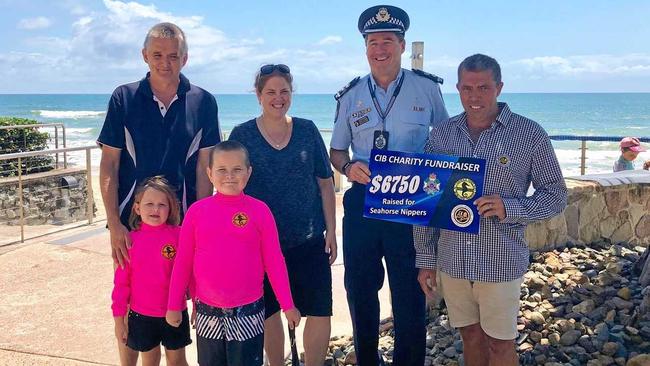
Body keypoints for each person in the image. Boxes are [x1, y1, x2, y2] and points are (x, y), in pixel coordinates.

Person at [414, 54, 568, 366]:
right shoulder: (441, 135)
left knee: (500, 344)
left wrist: (509, 207)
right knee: (469, 337)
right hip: (453, 260)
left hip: (499, 259)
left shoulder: (529, 134)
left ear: (499, 87)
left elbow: (556, 194)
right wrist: (426, 259)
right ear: (457, 89)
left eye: (483, 87)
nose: (475, 96)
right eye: (467, 88)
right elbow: (426, 202)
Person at [329, 5, 449, 365]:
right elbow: (336, 152)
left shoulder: (426, 89)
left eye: (387, 41)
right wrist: (350, 167)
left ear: (401, 45)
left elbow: (445, 142)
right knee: (360, 289)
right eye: (372, 42)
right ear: (365, 48)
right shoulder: (350, 95)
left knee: (409, 290)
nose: (379, 49)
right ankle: (367, 359)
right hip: (364, 202)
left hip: (411, 203)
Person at [97, 22, 220, 364]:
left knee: (175, 299)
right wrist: (114, 225)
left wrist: (202, 223)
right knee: (131, 300)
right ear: (144, 56)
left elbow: (204, 167)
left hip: (182, 224)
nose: (165, 62)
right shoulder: (124, 97)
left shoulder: (203, 101)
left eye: (173, 55)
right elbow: (109, 165)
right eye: (157, 55)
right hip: (131, 224)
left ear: (185, 57)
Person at [228, 64, 336, 366]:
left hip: (309, 238)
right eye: (271, 92)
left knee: (319, 308)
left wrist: (332, 230)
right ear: (259, 95)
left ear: (292, 94)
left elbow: (325, 183)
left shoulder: (307, 129)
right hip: (259, 244)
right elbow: (231, 189)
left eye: (284, 91)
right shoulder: (243, 134)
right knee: (269, 311)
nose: (278, 98)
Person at [165, 141, 301, 366]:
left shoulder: (260, 211)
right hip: (207, 309)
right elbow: (183, 262)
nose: (229, 175)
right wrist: (173, 304)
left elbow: (275, 262)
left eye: (237, 169)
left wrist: (287, 305)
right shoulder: (196, 213)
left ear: (249, 172)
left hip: (249, 310)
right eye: (221, 170)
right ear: (209, 173)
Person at [111, 176, 190, 366]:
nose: (155, 209)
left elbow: (191, 272)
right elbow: (121, 284)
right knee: (149, 361)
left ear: (170, 208)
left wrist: (195, 301)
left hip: (175, 311)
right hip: (141, 315)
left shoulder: (180, 235)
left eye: (162, 204)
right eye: (149, 204)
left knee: (177, 360)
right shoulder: (129, 242)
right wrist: (119, 320)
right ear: (137, 208)